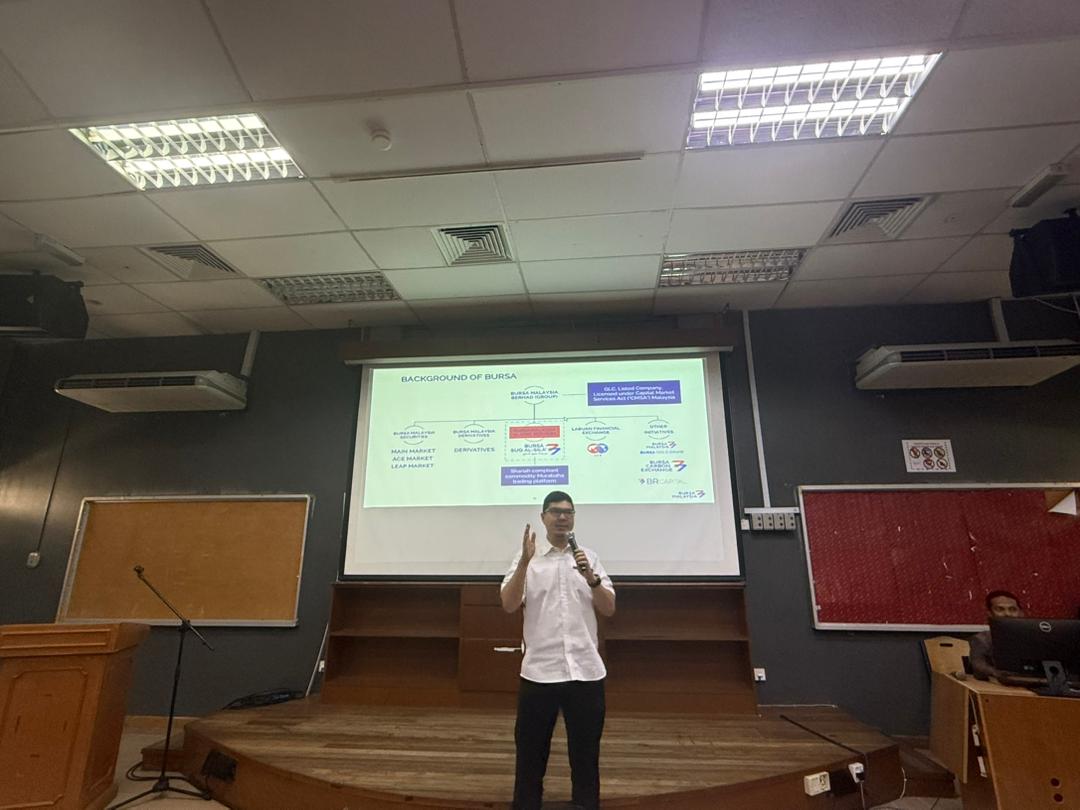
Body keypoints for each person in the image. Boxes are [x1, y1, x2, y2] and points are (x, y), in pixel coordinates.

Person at [500, 490, 616, 810]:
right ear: (543, 517)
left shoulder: (589, 558)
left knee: (586, 754)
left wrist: (591, 578)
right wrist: (525, 563)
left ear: (574, 518)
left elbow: (609, 608)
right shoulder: (528, 559)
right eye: (555, 511)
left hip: (586, 672)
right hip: (540, 672)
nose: (562, 517)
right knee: (530, 753)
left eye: (568, 512)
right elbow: (508, 604)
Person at [969, 589, 1024, 680]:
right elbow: (978, 665)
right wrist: (995, 673)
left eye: (1012, 609)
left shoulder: (1031, 638)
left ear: (1021, 613)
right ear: (989, 614)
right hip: (995, 683)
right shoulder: (981, 639)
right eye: (1000, 609)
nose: (1007, 614)